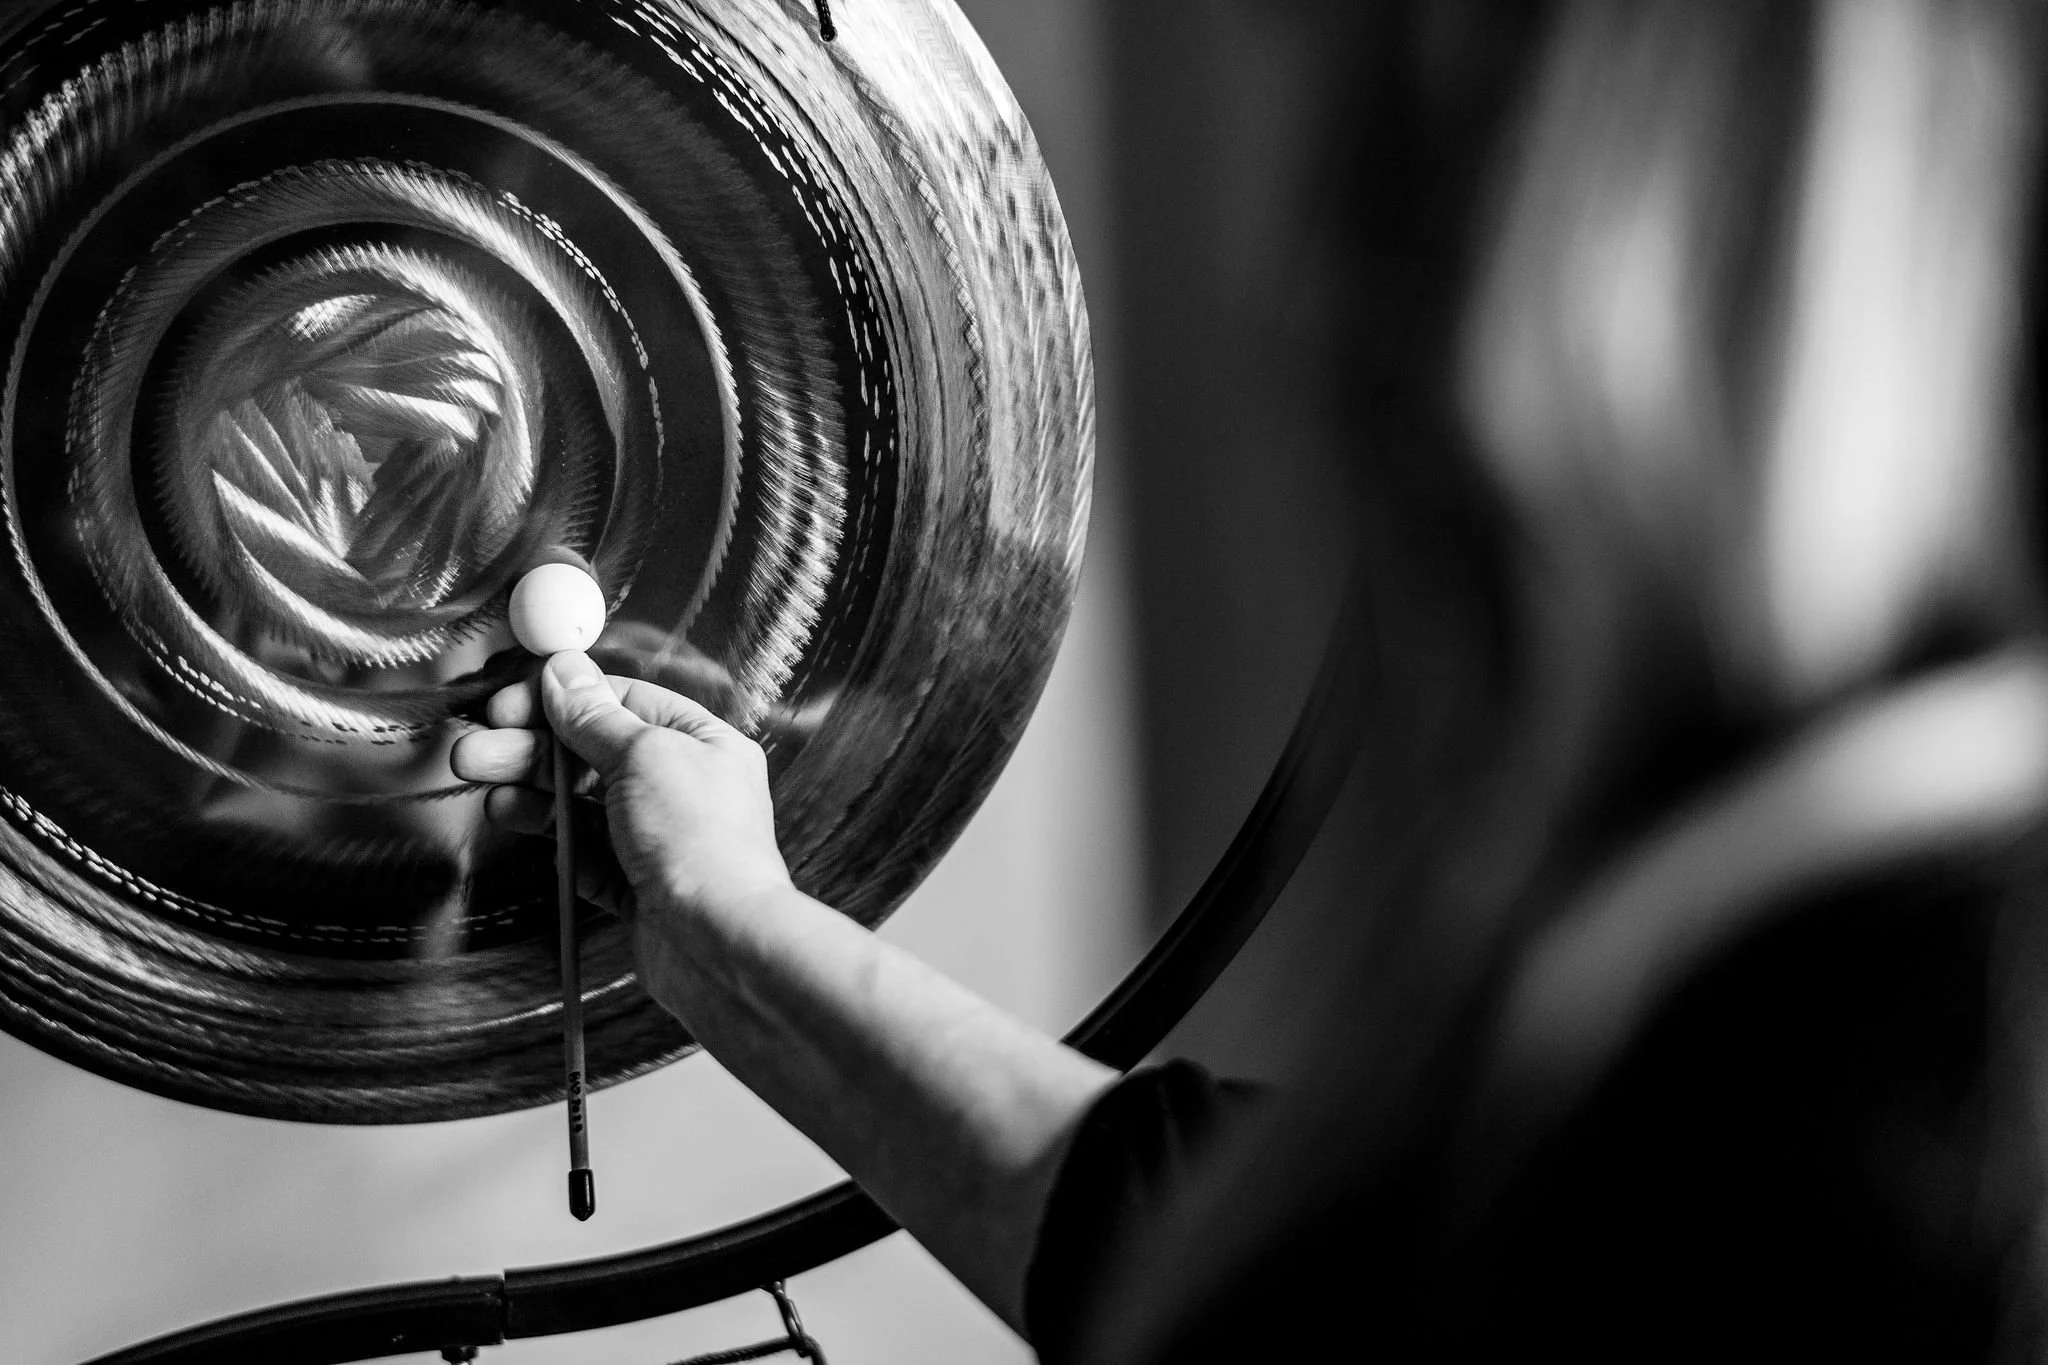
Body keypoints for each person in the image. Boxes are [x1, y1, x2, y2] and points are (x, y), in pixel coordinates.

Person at [460, 1, 2048, 1359]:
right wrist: (725, 930)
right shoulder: (1763, 942)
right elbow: (1329, 1295)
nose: (1315, 292)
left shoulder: (1923, 1107)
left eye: (1387, 149)